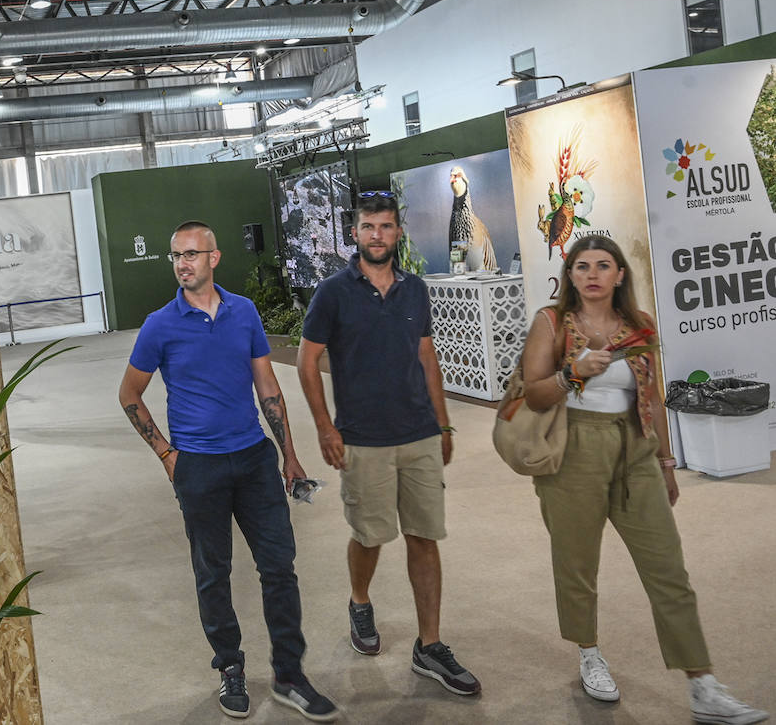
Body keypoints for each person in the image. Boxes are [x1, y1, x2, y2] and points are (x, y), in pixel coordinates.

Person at [520, 235, 768, 724]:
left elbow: (651, 397)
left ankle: (703, 683)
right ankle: (589, 653)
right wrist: (572, 373)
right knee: (576, 564)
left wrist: (666, 462)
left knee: (668, 569)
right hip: (574, 452)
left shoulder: (640, 326)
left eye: (603, 265)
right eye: (582, 266)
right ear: (570, 275)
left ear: (619, 275)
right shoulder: (551, 323)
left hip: (634, 448)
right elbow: (533, 395)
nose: (592, 274)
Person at [118, 220, 337, 722]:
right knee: (213, 574)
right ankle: (230, 669)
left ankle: (289, 674)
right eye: (175, 255)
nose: (182, 264)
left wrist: (290, 454)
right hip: (198, 467)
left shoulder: (244, 313)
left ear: (214, 258)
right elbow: (130, 394)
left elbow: (267, 387)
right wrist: (168, 456)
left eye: (191, 254)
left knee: (279, 567)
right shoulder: (160, 325)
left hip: (255, 460)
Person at [296, 191, 481, 696]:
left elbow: (427, 358)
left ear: (398, 233)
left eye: (386, 226)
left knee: (425, 536)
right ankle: (360, 600)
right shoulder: (333, 292)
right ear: (353, 234)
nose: (377, 235)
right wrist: (324, 428)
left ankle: (430, 645)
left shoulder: (416, 290)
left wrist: (442, 423)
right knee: (371, 536)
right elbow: (308, 363)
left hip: (418, 431)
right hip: (362, 437)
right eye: (368, 227)